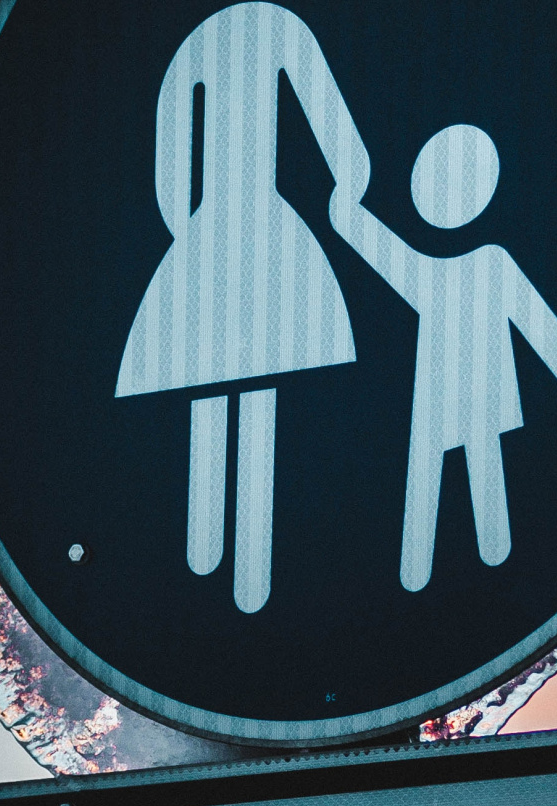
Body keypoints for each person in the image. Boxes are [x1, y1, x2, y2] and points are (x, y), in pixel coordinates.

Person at [115, 2, 371, 613]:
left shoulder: (207, 43)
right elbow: (340, 138)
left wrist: (192, 235)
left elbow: (169, 173)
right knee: (249, 387)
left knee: (227, 385)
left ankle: (226, 558)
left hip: (216, 228)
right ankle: (232, 563)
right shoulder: (276, 32)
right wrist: (348, 183)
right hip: (257, 223)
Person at [331, 124, 557, 591]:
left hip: (481, 392)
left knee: (479, 470)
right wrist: (349, 219)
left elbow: (542, 326)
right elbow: (390, 258)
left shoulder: (490, 263)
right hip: (440, 394)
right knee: (429, 474)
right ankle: (417, 574)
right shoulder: (439, 273)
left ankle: (484, 561)